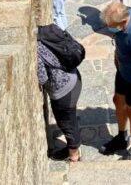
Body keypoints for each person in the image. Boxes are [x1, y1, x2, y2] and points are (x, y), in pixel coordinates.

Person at [99, 2, 131, 161]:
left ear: (122, 23)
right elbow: (120, 39)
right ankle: (122, 138)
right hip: (123, 71)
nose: (109, 29)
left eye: (111, 26)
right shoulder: (128, 11)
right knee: (117, 101)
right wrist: (117, 56)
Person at [37, 28, 82, 163]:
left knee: (67, 124)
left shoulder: (36, 50)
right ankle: (72, 148)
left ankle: (74, 156)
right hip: (75, 78)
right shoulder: (46, 35)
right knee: (70, 117)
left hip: (63, 91)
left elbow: (43, 78)